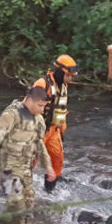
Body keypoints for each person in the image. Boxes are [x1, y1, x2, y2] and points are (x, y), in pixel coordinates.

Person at [0, 86, 56, 224]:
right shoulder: (11, 115)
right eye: (39, 106)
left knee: (27, 207)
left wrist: (48, 167)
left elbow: (39, 145)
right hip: (8, 168)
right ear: (28, 100)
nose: (42, 110)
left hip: (25, 169)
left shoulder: (39, 120)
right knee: (16, 205)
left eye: (44, 106)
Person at [32, 54, 78, 193]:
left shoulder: (63, 87)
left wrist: (62, 129)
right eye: (68, 75)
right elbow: (28, 107)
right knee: (30, 162)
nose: (70, 79)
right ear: (59, 72)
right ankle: (17, 193)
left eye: (72, 76)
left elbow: (61, 110)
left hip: (54, 130)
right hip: (38, 131)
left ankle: (49, 193)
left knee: (57, 161)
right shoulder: (42, 84)